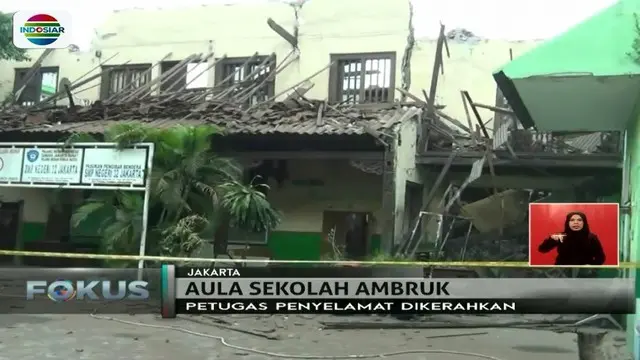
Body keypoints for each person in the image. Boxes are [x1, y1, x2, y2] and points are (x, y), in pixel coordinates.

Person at [537, 211, 606, 265]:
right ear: (568, 223)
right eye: (572, 220)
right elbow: (542, 249)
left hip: (583, 275)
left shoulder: (591, 238)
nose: (576, 222)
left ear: (584, 222)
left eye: (579, 220)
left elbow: (601, 257)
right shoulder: (561, 237)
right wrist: (551, 239)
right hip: (563, 273)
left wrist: (589, 268)